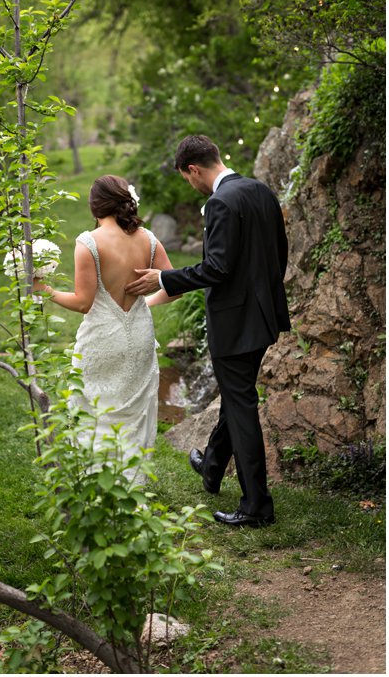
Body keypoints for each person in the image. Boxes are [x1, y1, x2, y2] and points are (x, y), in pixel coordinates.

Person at [125, 134, 290, 528]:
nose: (190, 184)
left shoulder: (218, 203)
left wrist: (164, 278)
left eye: (187, 178)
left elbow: (216, 268)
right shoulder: (261, 191)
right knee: (238, 397)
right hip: (263, 318)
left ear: (194, 169)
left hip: (235, 324)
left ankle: (256, 508)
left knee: (241, 406)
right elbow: (280, 252)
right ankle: (213, 466)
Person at [34, 175, 180, 481]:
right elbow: (176, 287)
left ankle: (97, 487)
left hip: (102, 339)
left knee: (94, 412)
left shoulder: (89, 243)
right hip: (140, 333)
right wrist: (146, 304)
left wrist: (44, 290)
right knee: (135, 414)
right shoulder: (149, 240)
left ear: (95, 206)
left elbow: (83, 303)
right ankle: (131, 488)